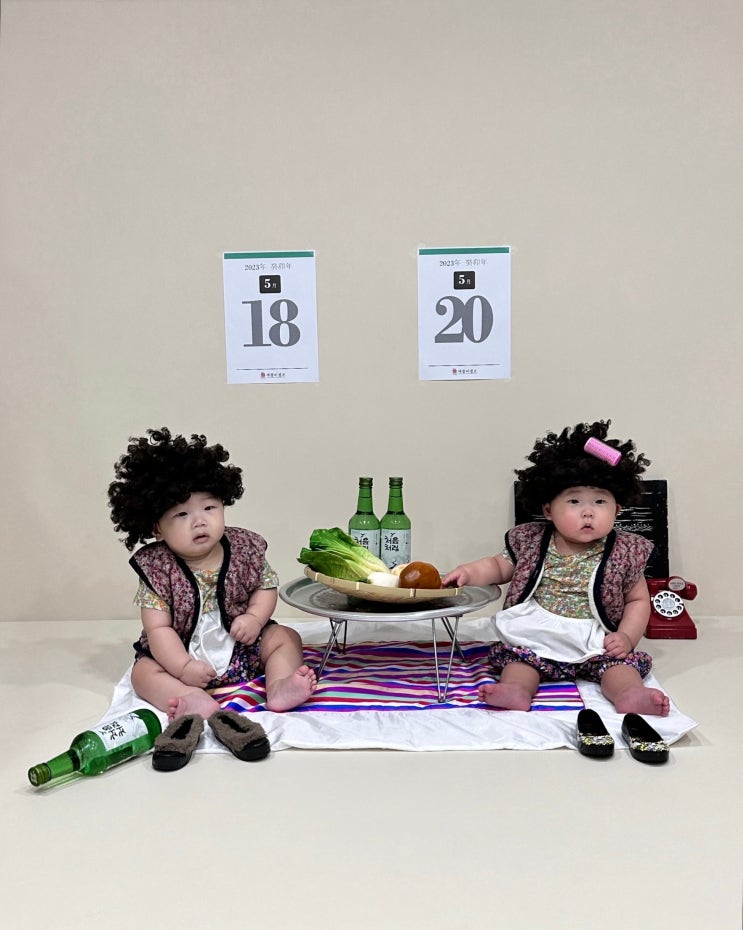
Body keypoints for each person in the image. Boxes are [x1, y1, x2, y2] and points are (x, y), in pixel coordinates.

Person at [443, 420, 669, 717]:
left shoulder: (624, 552)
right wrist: (469, 573)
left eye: (600, 501)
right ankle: (516, 690)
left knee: (619, 668)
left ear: (617, 509)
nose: (588, 512)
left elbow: (637, 599)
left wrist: (626, 636)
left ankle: (629, 694)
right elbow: (498, 566)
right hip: (537, 634)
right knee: (519, 663)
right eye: (574, 501)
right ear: (549, 509)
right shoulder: (532, 541)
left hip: (595, 639)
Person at [108, 427, 316, 721]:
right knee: (143, 673)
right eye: (182, 514)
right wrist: (182, 667)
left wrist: (255, 618)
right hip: (180, 654)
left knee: (285, 637)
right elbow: (158, 629)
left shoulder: (244, 549)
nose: (199, 521)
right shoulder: (157, 568)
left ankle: (280, 685)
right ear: (157, 528)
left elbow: (265, 585)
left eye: (209, 507)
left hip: (243, 646)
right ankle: (190, 698)